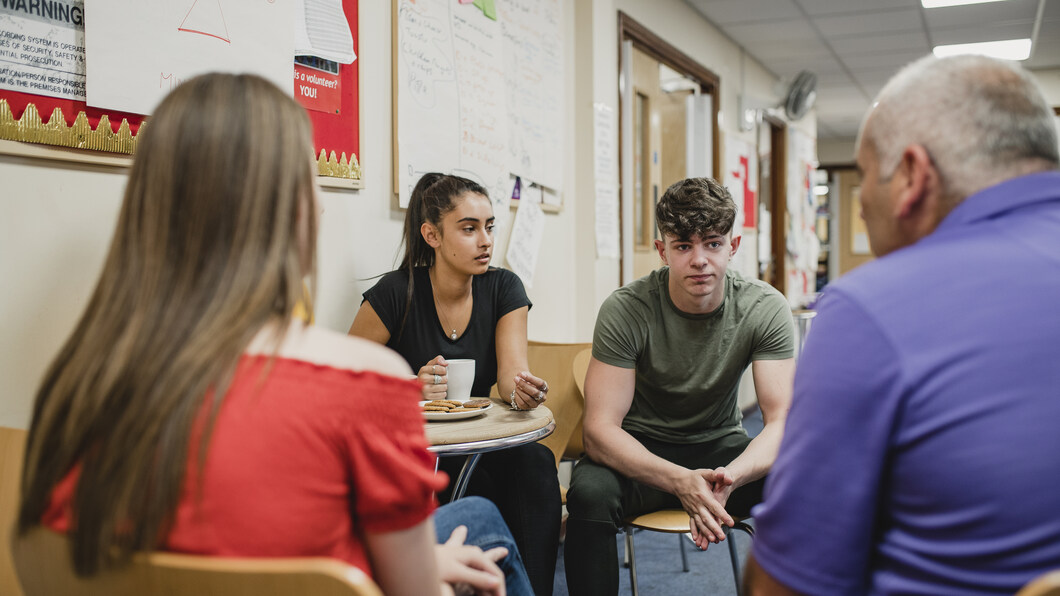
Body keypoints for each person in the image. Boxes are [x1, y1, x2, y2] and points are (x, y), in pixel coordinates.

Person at [16, 73, 533, 596]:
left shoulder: (72, 388)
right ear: (291, 211)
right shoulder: (368, 382)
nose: (325, 203)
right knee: (482, 524)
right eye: (312, 178)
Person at [746, 54, 1060, 595]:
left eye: (866, 176)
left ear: (912, 176)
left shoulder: (871, 307)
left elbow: (788, 583)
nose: (863, 205)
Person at [564, 177, 796, 595]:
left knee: (804, 475)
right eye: (683, 246)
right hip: (641, 453)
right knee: (589, 493)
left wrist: (732, 478)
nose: (700, 260)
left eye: (712, 243)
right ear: (662, 250)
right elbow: (599, 434)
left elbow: (780, 423)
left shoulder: (764, 307)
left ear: (734, 246)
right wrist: (679, 480)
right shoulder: (627, 308)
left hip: (721, 450)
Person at [349, 173, 561, 595]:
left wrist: (520, 389)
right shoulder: (395, 292)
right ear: (432, 235)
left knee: (534, 462)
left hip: (483, 452)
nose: (485, 240)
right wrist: (410, 386)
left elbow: (510, 374)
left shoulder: (503, 287)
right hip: (417, 453)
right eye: (469, 229)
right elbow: (346, 382)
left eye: (490, 226)